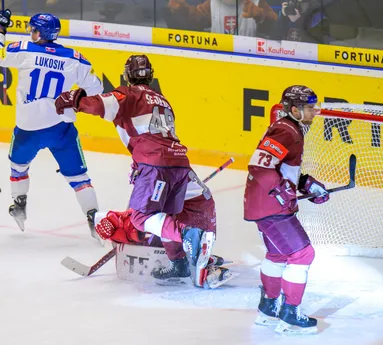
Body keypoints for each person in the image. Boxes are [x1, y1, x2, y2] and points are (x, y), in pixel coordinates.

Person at [54, 54, 234, 288]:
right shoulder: (163, 100)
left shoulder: (128, 94)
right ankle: (179, 262)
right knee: (162, 216)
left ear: (127, 75)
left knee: (141, 217)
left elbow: (99, 104)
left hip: (155, 165)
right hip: (179, 163)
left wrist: (76, 100)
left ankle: (190, 236)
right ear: (150, 75)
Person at [0, 10, 102, 235]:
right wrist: (75, 98)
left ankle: (19, 205)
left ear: (40, 32)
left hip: (27, 129)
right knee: (79, 178)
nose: (31, 32)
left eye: (33, 29)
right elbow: (97, 88)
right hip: (61, 128)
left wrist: (1, 29)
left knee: (18, 167)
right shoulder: (75, 59)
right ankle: (94, 218)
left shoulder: (25, 50)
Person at [243, 85, 329, 334]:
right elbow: (258, 166)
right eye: (309, 108)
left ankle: (268, 310)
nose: (315, 112)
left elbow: (280, 168)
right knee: (302, 255)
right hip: (272, 207)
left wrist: (307, 185)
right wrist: (281, 192)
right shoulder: (286, 130)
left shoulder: (291, 129)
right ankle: (290, 315)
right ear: (294, 109)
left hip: (264, 204)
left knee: (278, 255)